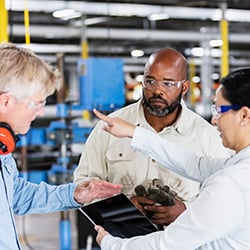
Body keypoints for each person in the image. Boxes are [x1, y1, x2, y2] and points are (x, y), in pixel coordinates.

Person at [74, 47, 230, 233]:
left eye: (168, 83)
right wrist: (123, 207)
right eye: (150, 81)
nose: (157, 91)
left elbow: (223, 197)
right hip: (124, 239)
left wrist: (187, 212)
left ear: (184, 87)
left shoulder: (206, 136)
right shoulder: (109, 128)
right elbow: (83, 185)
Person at [93, 67, 250, 249]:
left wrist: (110, 242)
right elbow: (195, 164)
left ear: (244, 115)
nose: (214, 120)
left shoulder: (229, 183)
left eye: (219, 110)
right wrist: (134, 132)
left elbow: (167, 245)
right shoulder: (239, 167)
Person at [0, 42, 122, 250]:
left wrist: (72, 195)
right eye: (37, 103)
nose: (40, 113)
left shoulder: (3, 149)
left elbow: (15, 195)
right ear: (6, 102)